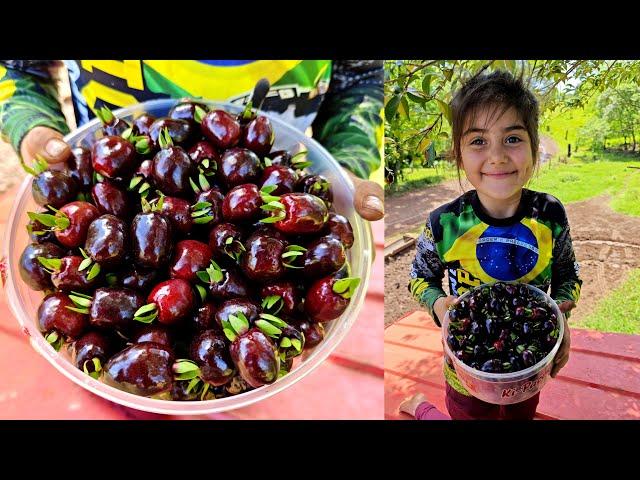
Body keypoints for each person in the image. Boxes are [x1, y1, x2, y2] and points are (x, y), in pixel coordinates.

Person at [404, 70, 582, 420]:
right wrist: (439, 305)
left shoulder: (549, 215)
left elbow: (568, 274)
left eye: (513, 139)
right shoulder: (444, 224)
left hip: (528, 369)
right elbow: (419, 279)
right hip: (466, 371)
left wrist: (561, 315)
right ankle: (420, 408)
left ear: (535, 148)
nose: (497, 156)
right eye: (479, 141)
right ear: (458, 154)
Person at [0, 60, 384, 220]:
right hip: (97, 186)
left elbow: (362, 77)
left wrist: (346, 159)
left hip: (273, 180)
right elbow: (20, 68)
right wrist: (30, 125)